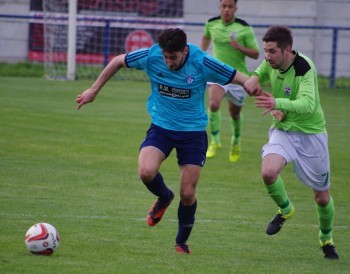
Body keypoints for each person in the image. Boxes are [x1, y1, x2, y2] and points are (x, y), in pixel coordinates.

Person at [76, 28, 252, 254]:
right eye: (166, 57)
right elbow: (119, 61)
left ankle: (181, 243)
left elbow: (241, 78)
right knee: (145, 171)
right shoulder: (152, 56)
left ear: (185, 51)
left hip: (193, 133)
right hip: (162, 128)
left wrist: (271, 100)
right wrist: (93, 90)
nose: (169, 62)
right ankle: (164, 196)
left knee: (188, 192)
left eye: (174, 57)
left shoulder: (202, 62)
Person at [245, 26, 339, 259]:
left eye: (272, 52)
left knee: (322, 196)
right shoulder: (271, 62)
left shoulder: (304, 69)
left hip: (311, 135)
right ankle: (285, 210)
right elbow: (261, 70)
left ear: (287, 50)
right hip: (284, 131)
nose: (267, 56)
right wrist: (254, 78)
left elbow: (308, 104)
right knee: (268, 172)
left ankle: (326, 239)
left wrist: (278, 103)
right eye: (265, 51)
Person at [201, 0, 259, 162]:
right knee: (213, 104)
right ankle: (215, 141)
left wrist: (239, 47)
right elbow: (205, 38)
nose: (226, 10)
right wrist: (201, 55)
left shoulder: (244, 28)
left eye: (230, 6)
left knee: (234, 113)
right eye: (223, 6)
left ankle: (235, 140)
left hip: (238, 78)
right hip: (217, 73)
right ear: (220, 7)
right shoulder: (211, 24)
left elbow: (255, 53)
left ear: (235, 8)